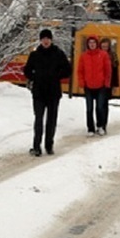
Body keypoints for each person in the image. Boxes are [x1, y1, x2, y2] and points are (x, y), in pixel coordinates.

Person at [22, 28, 72, 156]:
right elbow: (27, 70)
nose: (45, 41)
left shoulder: (58, 54)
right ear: (40, 40)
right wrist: (35, 77)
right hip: (38, 92)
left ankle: (49, 145)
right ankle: (36, 146)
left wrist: (56, 75)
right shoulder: (35, 55)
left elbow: (68, 70)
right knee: (38, 119)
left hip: (53, 92)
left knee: (51, 120)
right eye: (43, 39)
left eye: (47, 39)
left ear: (51, 40)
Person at [76, 35, 112, 136]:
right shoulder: (83, 56)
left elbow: (108, 70)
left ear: (97, 44)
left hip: (101, 86)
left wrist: (106, 83)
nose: (92, 44)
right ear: (88, 44)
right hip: (88, 86)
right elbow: (80, 70)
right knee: (89, 108)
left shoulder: (103, 55)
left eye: (94, 43)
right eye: (90, 43)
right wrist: (81, 82)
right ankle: (90, 128)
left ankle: (100, 126)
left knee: (100, 107)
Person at [99, 37, 120, 131]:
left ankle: (103, 124)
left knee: (104, 104)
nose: (104, 47)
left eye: (106, 45)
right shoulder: (97, 55)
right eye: (103, 45)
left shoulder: (113, 56)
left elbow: (115, 71)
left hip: (108, 83)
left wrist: (115, 85)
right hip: (98, 82)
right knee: (99, 104)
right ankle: (99, 123)